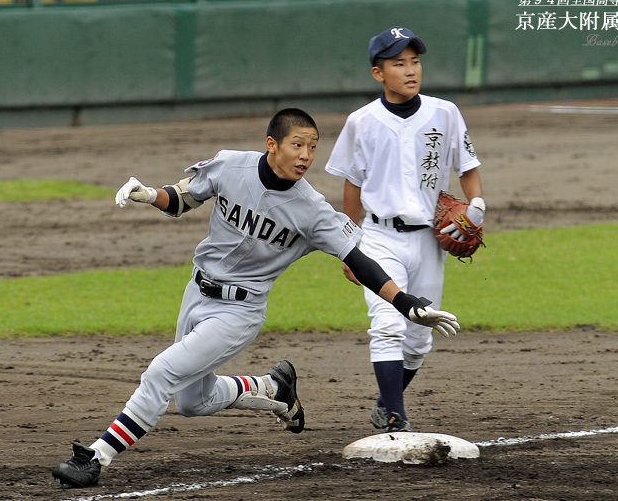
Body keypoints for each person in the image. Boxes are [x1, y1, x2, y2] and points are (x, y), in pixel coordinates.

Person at [51, 108, 460, 488]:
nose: (306, 155)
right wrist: (147, 195)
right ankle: (274, 388)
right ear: (272, 145)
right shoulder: (231, 164)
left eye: (313, 147)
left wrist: (404, 302)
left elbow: (360, 260)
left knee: (162, 372)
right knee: (193, 402)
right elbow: (181, 199)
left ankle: (97, 458)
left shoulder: (312, 210)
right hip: (196, 293)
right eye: (297, 144)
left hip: (239, 311)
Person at [325, 27, 485, 433]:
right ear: (379, 73)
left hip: (429, 241)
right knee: (388, 324)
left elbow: (466, 166)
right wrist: (349, 245)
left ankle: (385, 402)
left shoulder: (445, 112)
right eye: (399, 64)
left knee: (419, 339)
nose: (411, 70)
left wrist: (477, 205)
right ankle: (396, 417)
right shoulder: (360, 122)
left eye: (415, 62)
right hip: (378, 238)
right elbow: (351, 183)